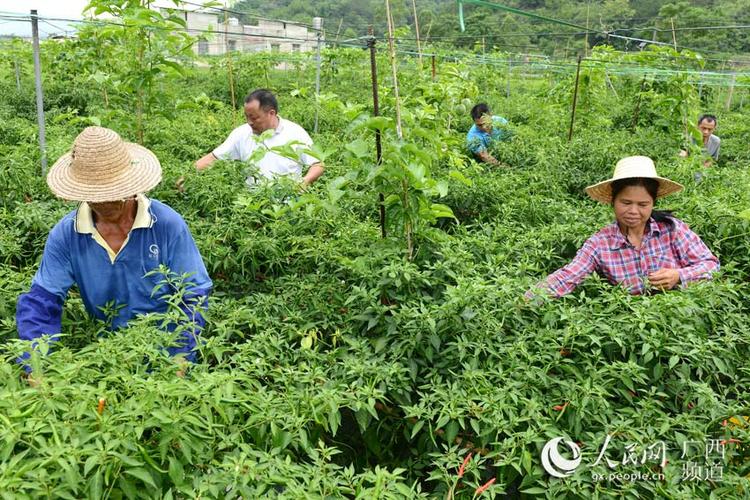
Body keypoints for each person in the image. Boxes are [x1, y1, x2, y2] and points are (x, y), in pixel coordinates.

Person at [16, 127, 212, 376]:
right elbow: (42, 302)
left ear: (132, 185)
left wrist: (180, 357)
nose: (106, 203)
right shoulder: (67, 235)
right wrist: (35, 362)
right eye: (96, 195)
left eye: (114, 193)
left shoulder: (166, 225)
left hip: (165, 353)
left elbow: (194, 294)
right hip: (106, 357)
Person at [527, 156, 719, 298]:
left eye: (643, 205)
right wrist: (525, 300)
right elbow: (568, 276)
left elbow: (711, 265)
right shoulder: (601, 244)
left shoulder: (672, 230)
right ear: (613, 201)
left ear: (653, 203)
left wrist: (678, 275)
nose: (634, 211)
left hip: (679, 317)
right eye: (626, 203)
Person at [193, 89, 324, 188]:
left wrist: (304, 182)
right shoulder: (241, 133)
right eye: (247, 117)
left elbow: (318, 164)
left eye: (254, 117)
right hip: (253, 207)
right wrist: (187, 175)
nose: (249, 122)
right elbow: (214, 158)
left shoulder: (295, 133)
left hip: (288, 206)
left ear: (271, 113)